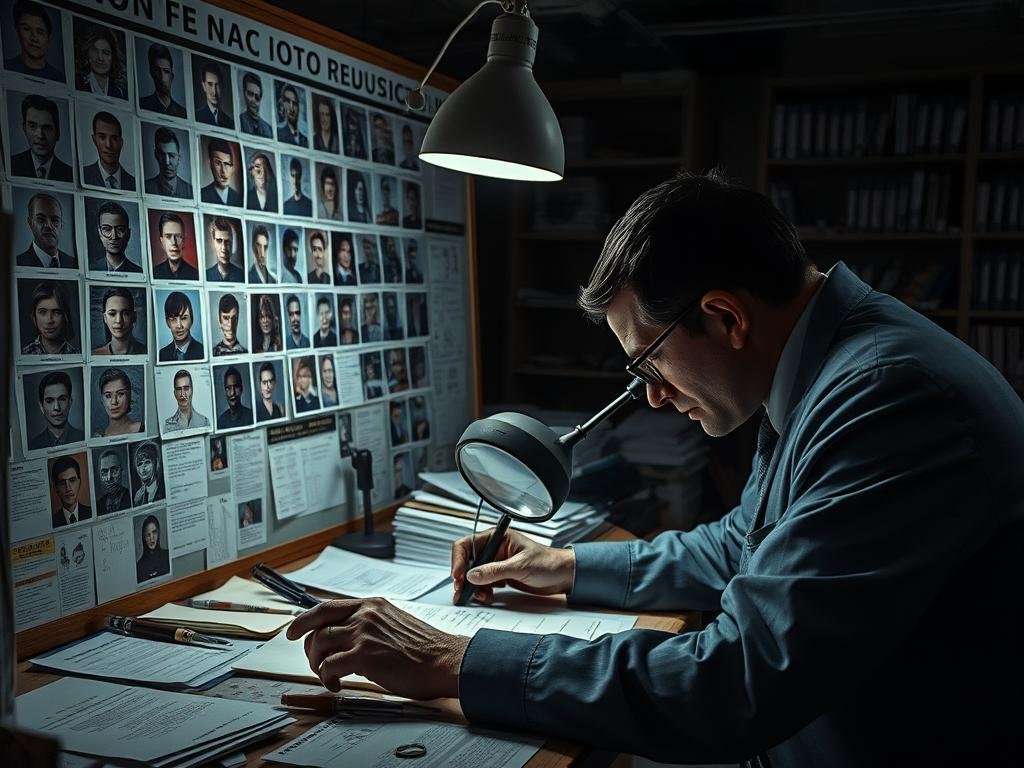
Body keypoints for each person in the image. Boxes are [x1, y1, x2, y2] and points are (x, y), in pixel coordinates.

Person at [286, 169, 1024, 767]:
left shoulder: (888, 399)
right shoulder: (828, 368)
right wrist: (565, 566)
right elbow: (745, 544)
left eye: (648, 362)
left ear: (726, 318)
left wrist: (457, 658)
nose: (653, 396)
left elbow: (740, 679)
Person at [10, 95, 73, 182]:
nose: (40, 135)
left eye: (47, 128)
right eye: (32, 126)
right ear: (24, 129)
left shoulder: (70, 174)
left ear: (57, 133)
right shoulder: (11, 165)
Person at [5, 1, 63, 81]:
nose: (34, 38)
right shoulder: (6, 67)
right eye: (26, 29)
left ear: (49, 39)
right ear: (17, 30)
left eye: (40, 32)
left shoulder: (59, 78)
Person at [18, 193, 76, 269]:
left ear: (61, 225)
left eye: (54, 220)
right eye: (41, 219)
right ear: (30, 223)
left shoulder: (73, 264)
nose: (48, 225)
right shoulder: (17, 263)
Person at [28, 371, 84, 449]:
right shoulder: (32, 447)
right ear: (41, 406)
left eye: (62, 399)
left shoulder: (83, 437)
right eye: (49, 401)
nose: (56, 407)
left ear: (70, 402)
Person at [82, 111, 135, 191]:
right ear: (94, 140)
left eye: (114, 138)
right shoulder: (83, 175)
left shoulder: (134, 183)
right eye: (102, 137)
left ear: (121, 143)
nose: (108, 145)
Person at [22, 281, 79, 355]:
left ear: (65, 316)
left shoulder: (76, 354)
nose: (49, 320)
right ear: (34, 316)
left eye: (56, 312)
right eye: (43, 312)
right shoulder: (24, 354)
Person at [75, 23, 126, 99]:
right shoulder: (78, 83)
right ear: (87, 53)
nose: (100, 58)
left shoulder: (118, 92)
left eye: (105, 53)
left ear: (113, 57)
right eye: (95, 51)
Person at [89, 201, 142, 273]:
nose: (114, 236)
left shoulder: (138, 271)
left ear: (128, 234)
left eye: (120, 229)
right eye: (107, 229)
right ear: (99, 233)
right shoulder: (91, 269)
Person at [93, 287, 145, 356]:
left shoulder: (146, 351)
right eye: (112, 314)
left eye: (125, 313)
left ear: (134, 317)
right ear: (105, 318)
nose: (119, 320)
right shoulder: (95, 354)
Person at [93, 367, 143, 437]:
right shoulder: (98, 436)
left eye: (120, 394)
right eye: (108, 396)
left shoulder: (142, 429)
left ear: (129, 396)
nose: (114, 402)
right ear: (102, 400)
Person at [144, 127, 193, 199]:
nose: (167, 162)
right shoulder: (146, 187)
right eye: (162, 155)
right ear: (156, 155)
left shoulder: (190, 190)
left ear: (178, 158)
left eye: (171, 155)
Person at [139, 43, 186, 117]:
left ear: (172, 76)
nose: (162, 77)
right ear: (152, 73)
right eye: (157, 71)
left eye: (166, 71)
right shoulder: (142, 104)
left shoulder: (183, 113)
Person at [158, 291, 204, 361]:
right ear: (167, 322)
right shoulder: (161, 354)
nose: (179, 326)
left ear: (191, 319)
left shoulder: (203, 351)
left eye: (184, 318)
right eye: (173, 319)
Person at [152, 212, 199, 280]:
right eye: (168, 236)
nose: (174, 242)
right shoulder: (154, 273)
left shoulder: (196, 275)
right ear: (162, 241)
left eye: (178, 236)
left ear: (184, 240)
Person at [50, 455, 91, 528]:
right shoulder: (52, 521)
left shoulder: (91, 512)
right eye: (62, 483)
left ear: (79, 482)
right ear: (56, 487)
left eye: (72, 480)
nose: (68, 488)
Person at [201, 138, 242, 206]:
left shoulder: (239, 199)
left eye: (227, 164)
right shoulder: (202, 195)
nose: (223, 171)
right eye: (218, 163)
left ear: (232, 167)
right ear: (210, 165)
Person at [195, 60, 233, 128]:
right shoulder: (197, 116)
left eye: (217, 85)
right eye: (210, 84)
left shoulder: (231, 123)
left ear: (222, 86)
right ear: (203, 86)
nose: (214, 91)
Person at [205, 217, 244, 282]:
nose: (224, 248)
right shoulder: (206, 275)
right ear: (213, 242)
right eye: (219, 241)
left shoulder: (242, 275)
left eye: (227, 241)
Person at [135, 514, 169, 582]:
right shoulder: (139, 567)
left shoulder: (167, 555)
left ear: (158, 533)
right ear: (144, 538)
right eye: (148, 535)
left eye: (154, 532)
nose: (151, 538)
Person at [96, 449, 130, 515]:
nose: (109, 477)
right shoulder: (99, 504)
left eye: (114, 471)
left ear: (122, 471)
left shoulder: (132, 497)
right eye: (104, 472)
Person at [239, 71, 273, 138]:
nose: (253, 100)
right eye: (250, 94)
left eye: (257, 97)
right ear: (244, 93)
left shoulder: (269, 129)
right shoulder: (240, 120)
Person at [131, 441, 164, 506]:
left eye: (147, 462)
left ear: (155, 463)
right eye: (139, 464)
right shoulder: (138, 495)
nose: (143, 468)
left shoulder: (162, 488)